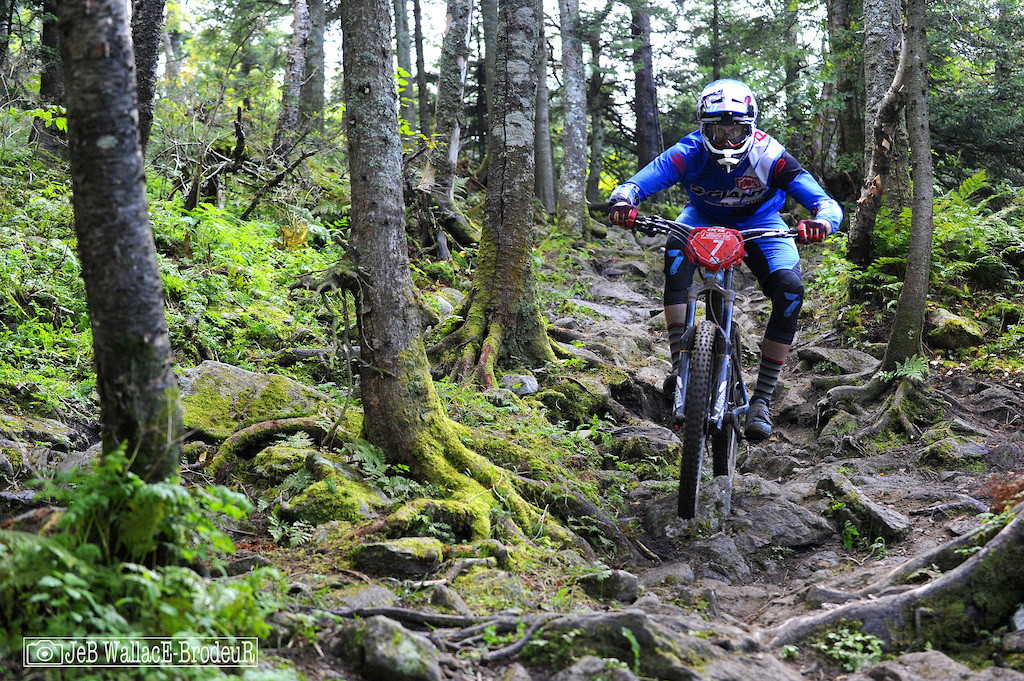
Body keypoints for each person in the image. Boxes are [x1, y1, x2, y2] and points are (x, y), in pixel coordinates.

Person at [607, 78, 843, 441]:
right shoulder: (688, 151)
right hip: (701, 219)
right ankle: (679, 367)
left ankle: (762, 399)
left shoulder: (770, 155)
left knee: (791, 289)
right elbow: (636, 183)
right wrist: (624, 201)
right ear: (703, 128)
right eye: (718, 131)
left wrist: (822, 221)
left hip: (760, 224)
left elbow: (824, 202)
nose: (728, 140)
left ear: (752, 126)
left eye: (737, 130)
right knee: (674, 247)